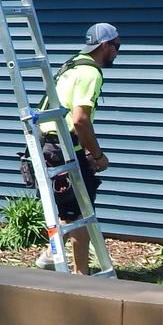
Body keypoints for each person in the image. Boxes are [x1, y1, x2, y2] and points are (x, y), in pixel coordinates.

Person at [35, 21, 121, 273]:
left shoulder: (72, 65)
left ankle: (49, 256)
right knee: (79, 212)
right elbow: (80, 120)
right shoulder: (90, 73)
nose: (117, 52)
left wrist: (85, 151)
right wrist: (98, 155)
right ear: (105, 46)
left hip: (50, 143)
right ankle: (80, 275)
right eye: (117, 46)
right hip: (62, 147)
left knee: (70, 210)